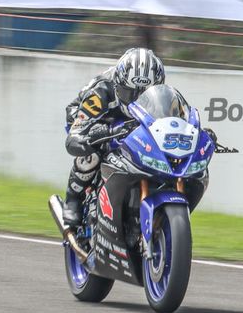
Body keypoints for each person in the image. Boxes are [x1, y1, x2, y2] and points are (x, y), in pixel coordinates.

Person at [62, 47, 166, 228]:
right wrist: (84, 136)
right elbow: (77, 132)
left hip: (133, 122)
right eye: (130, 93)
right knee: (93, 148)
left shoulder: (161, 95)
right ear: (118, 84)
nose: (135, 99)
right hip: (91, 115)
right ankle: (73, 198)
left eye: (143, 95)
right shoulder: (102, 91)